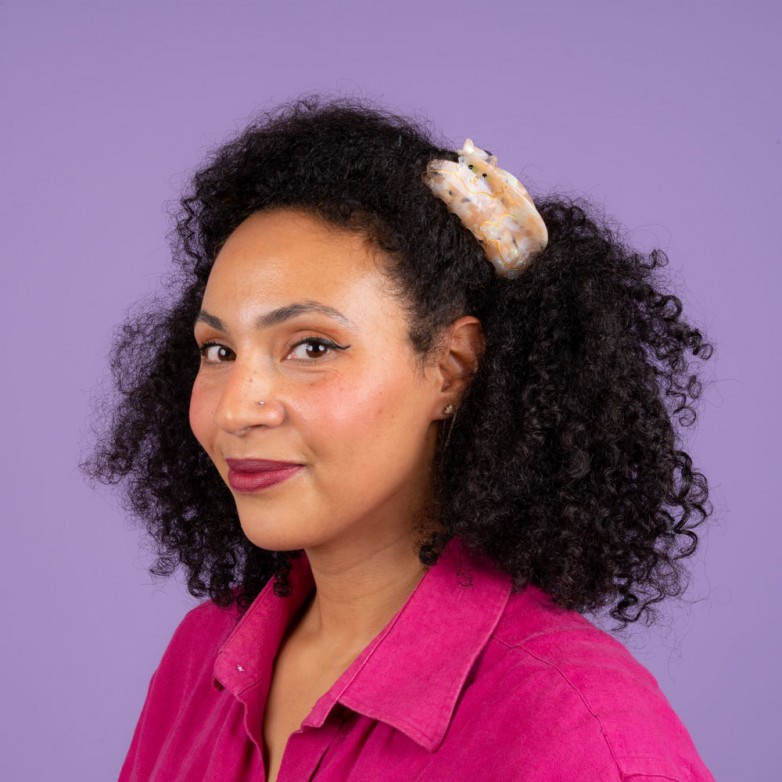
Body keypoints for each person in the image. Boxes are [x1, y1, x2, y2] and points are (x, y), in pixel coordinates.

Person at [85, 96, 716, 781]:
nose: (235, 409)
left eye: (312, 347)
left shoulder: (577, 731)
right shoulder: (203, 656)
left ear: (451, 368)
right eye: (218, 351)